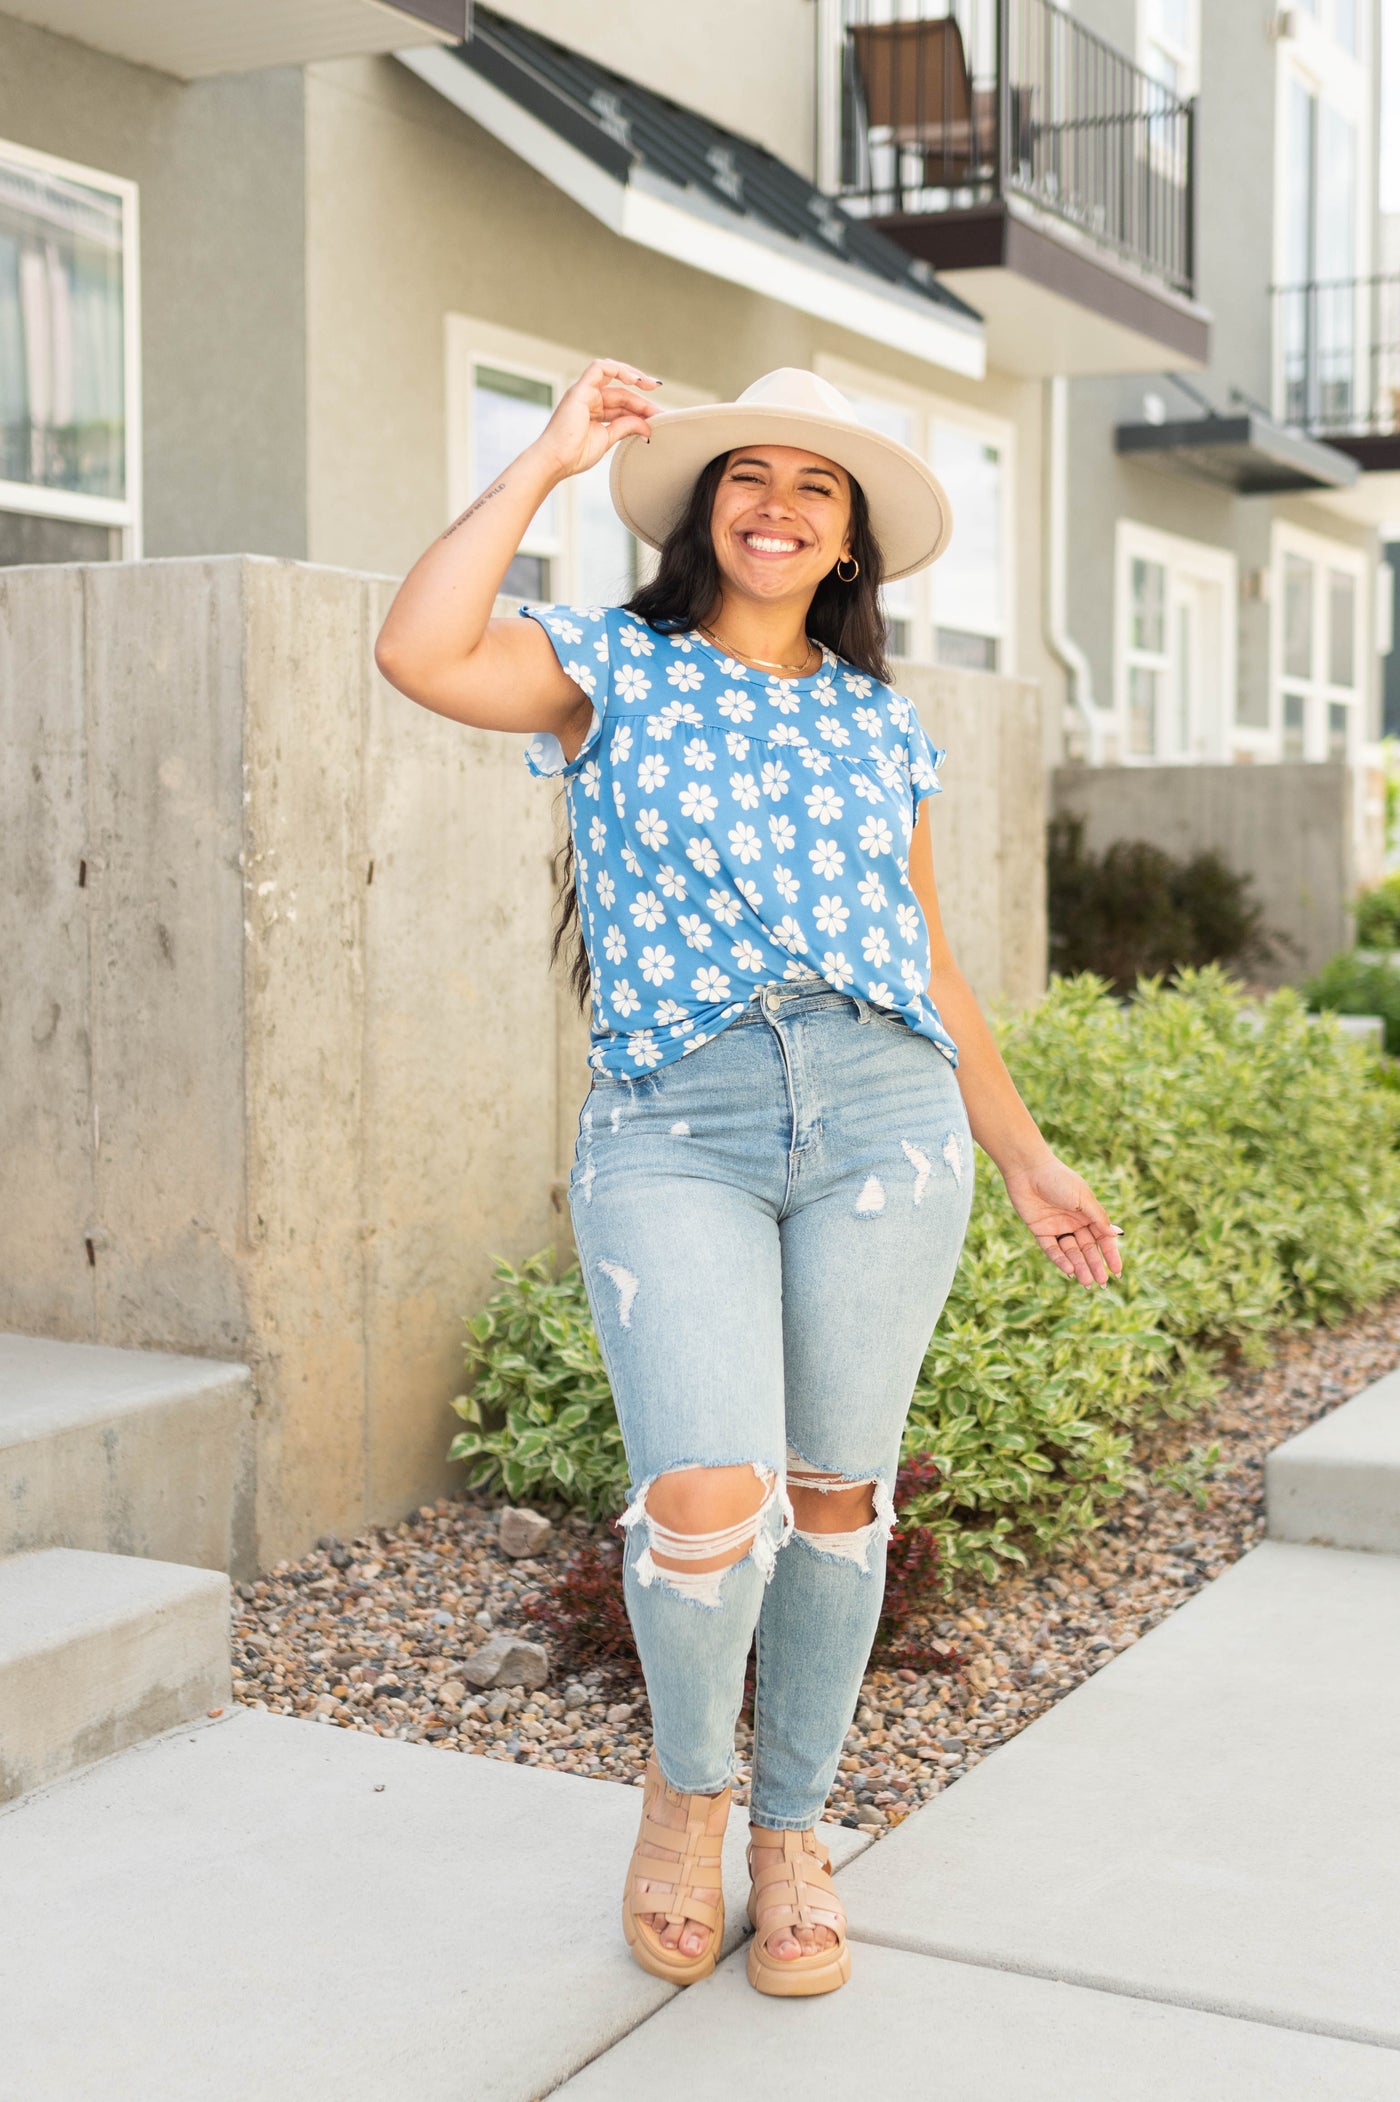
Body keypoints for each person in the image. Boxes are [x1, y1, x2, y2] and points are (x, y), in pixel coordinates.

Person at [374, 359, 1123, 1999]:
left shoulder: (879, 722)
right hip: (675, 1122)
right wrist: (546, 461)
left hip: (883, 1113)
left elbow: (927, 956)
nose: (778, 505)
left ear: (849, 542)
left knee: (840, 1498)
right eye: (749, 476)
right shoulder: (615, 668)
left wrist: (1022, 1149)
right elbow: (418, 647)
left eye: (818, 487)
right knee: (710, 1500)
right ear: (706, 507)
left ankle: (792, 1828)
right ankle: (687, 1790)